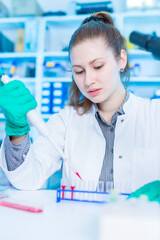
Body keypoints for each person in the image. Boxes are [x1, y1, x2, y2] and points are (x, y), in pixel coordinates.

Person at [0, 12, 159, 202]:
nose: (88, 80)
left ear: (121, 60)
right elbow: (28, 180)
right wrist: (17, 131)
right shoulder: (65, 121)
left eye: (98, 66)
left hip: (141, 228)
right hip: (75, 228)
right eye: (79, 71)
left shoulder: (153, 114)